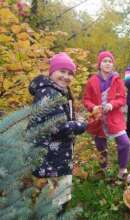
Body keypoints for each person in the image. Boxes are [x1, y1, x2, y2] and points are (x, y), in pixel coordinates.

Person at [27, 52, 86, 207]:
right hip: (52, 156)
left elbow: (58, 118)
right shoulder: (49, 93)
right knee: (59, 196)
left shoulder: (57, 91)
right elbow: (57, 127)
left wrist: (72, 118)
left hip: (57, 153)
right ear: (52, 72)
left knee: (57, 191)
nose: (66, 76)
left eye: (70, 73)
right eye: (62, 71)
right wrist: (80, 125)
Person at [83, 51, 130, 183]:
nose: (107, 63)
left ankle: (122, 172)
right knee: (101, 146)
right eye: (105, 61)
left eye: (110, 61)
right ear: (99, 64)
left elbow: (122, 98)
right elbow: (86, 100)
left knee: (125, 143)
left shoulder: (117, 80)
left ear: (113, 64)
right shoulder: (92, 81)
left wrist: (112, 105)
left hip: (114, 118)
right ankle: (104, 169)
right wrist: (93, 107)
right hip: (98, 120)